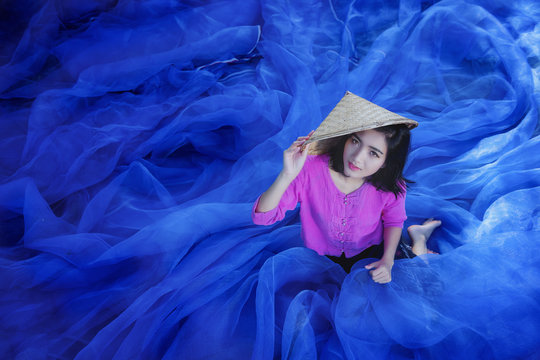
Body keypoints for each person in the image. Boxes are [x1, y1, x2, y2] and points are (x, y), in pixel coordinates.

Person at [252, 92, 440, 283]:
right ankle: (417, 237)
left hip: (374, 251)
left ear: (385, 162)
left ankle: (419, 239)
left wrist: (387, 260)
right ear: (346, 138)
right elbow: (263, 218)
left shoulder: (390, 186)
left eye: (373, 153)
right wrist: (287, 175)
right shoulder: (310, 169)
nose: (357, 157)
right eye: (355, 141)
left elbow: (393, 221)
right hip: (323, 257)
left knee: (418, 281)